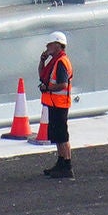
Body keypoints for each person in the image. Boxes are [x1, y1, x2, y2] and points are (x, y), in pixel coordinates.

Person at [36, 31, 76, 179]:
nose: (47, 47)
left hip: (60, 104)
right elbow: (42, 75)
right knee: (57, 136)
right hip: (54, 104)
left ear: (58, 45)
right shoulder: (54, 62)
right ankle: (61, 163)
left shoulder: (61, 63)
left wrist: (47, 88)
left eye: (50, 44)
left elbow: (62, 84)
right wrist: (42, 61)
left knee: (62, 136)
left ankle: (67, 165)